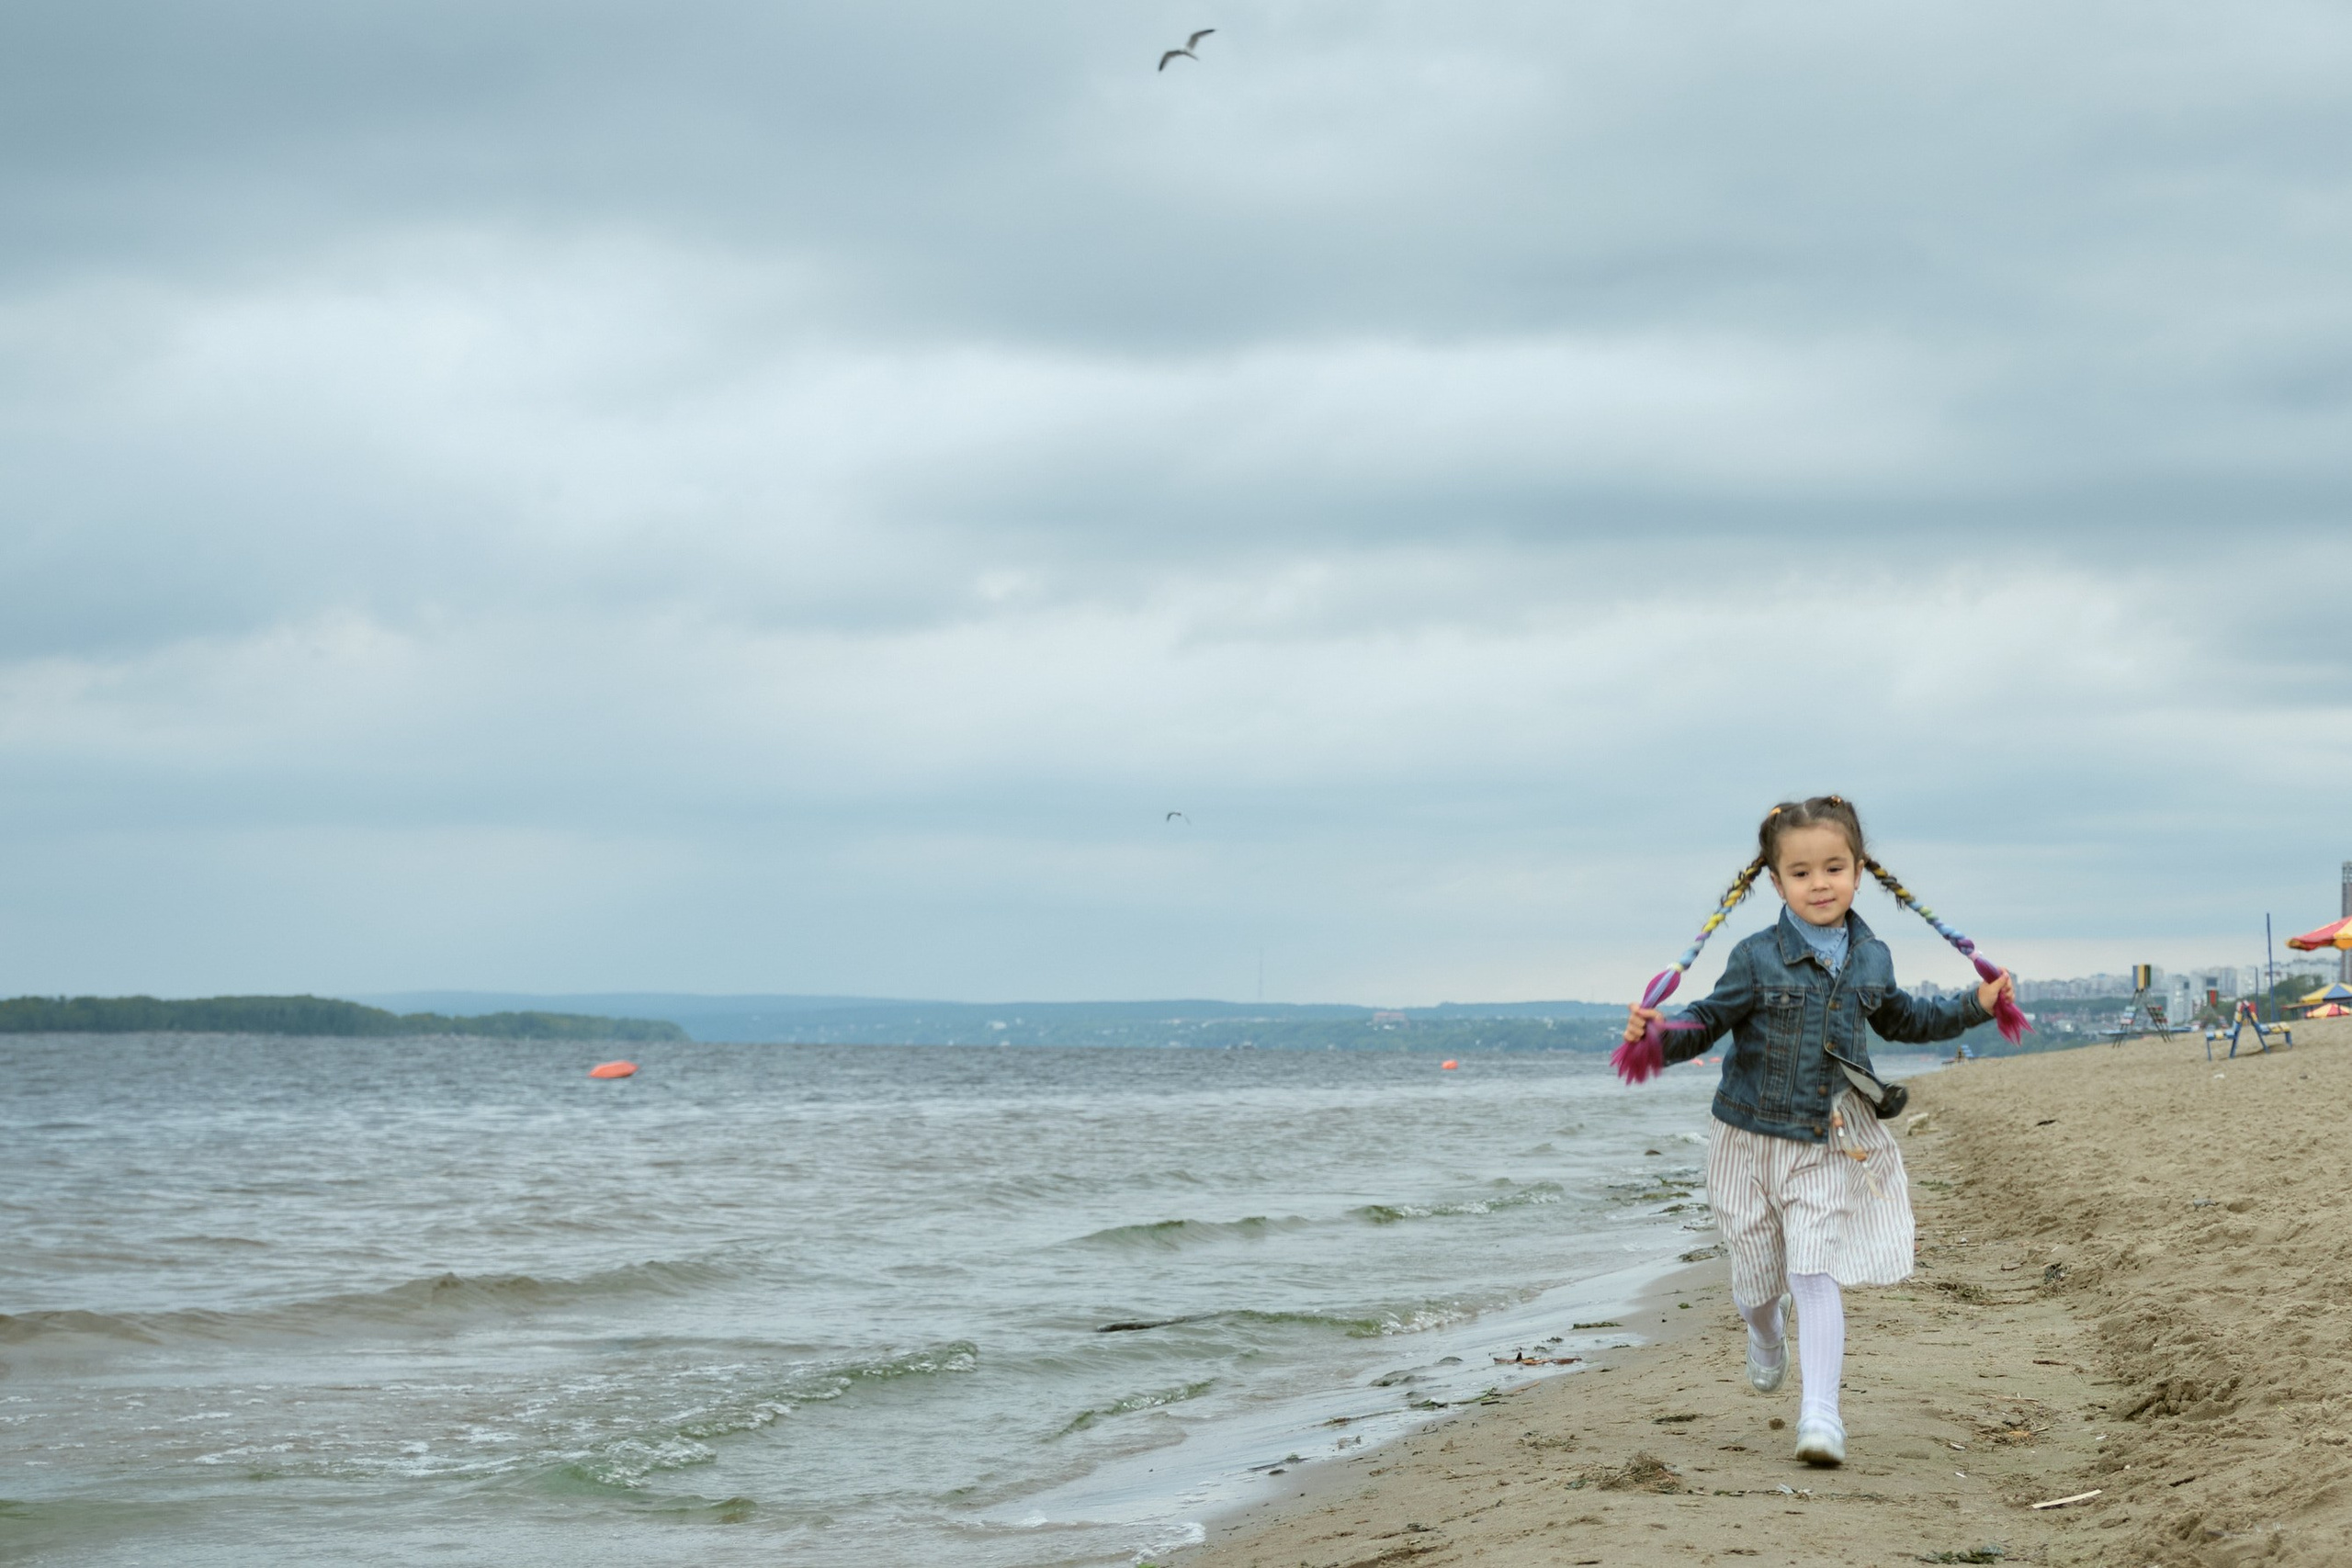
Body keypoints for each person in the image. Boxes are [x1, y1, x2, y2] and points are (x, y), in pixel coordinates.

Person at [1620, 795, 2016, 1468]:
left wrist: (1976, 1005)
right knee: (1755, 1279)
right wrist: (1659, 1035)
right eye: (1801, 872)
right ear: (1775, 882)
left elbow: (1906, 1019)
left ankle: (1821, 1414)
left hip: (1830, 1135)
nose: (1820, 882)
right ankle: (1765, 1335)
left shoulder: (1872, 956)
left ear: (1860, 871)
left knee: (1812, 1267)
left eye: (1834, 867)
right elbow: (1708, 1020)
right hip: (1746, 1139)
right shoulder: (1754, 957)